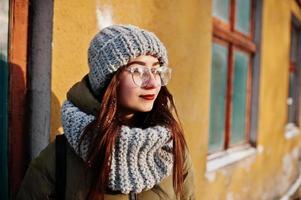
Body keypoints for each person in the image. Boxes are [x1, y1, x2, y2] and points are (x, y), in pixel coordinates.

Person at [17, 24, 195, 200]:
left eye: (155, 70)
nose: (153, 83)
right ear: (109, 79)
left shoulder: (171, 148)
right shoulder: (59, 158)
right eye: (137, 70)